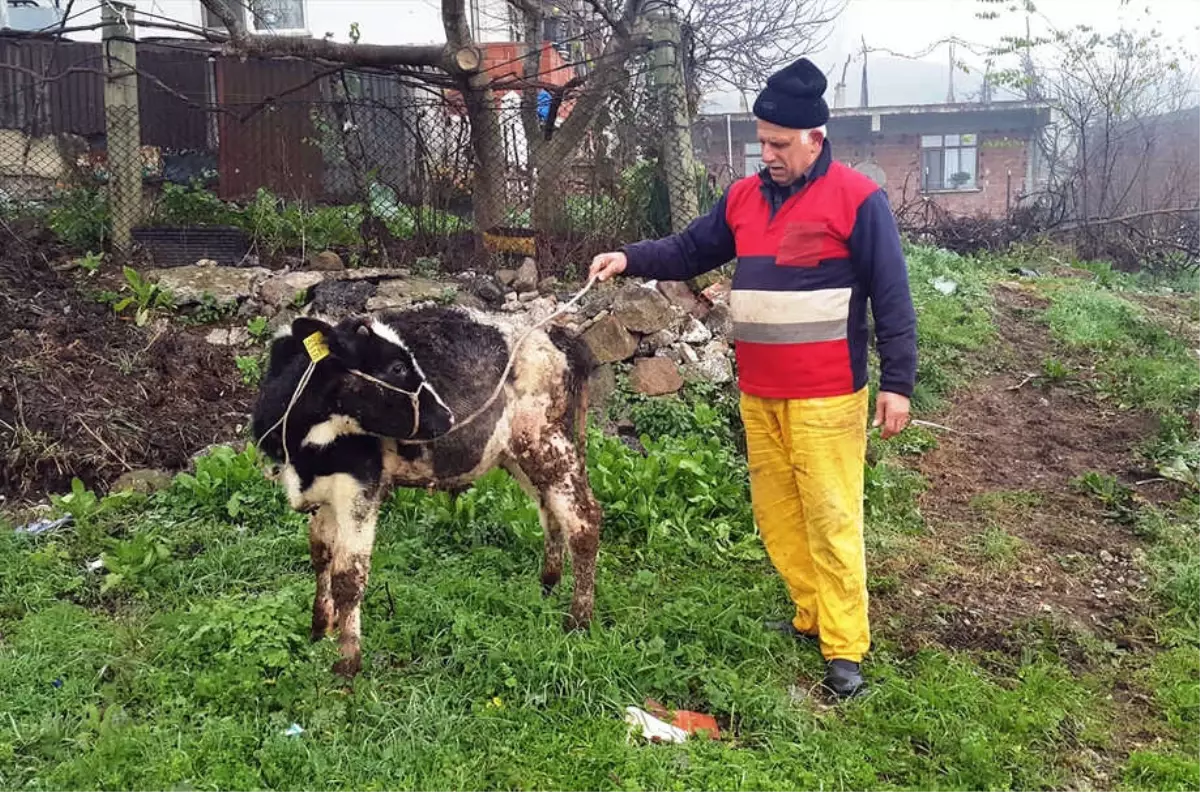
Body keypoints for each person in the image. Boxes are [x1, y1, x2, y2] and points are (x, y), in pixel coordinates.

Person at [589, 56, 917, 700]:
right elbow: (690, 250)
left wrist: (898, 383)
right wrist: (629, 256)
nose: (764, 154)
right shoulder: (743, 198)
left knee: (830, 517)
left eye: (777, 144)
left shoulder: (858, 199)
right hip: (760, 392)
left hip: (828, 396)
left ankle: (845, 649)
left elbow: (892, 295)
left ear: (815, 140)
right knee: (777, 514)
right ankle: (810, 612)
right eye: (760, 141)